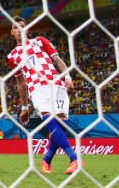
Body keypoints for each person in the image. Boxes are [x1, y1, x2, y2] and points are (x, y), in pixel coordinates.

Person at [6, 16, 82, 175]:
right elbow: (21, 83)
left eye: (22, 26)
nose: (20, 29)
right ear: (12, 32)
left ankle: (46, 160)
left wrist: (67, 77)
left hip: (56, 84)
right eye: (16, 27)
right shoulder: (13, 56)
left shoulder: (40, 41)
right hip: (37, 88)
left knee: (61, 124)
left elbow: (57, 60)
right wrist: (25, 107)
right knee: (50, 121)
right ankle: (74, 159)